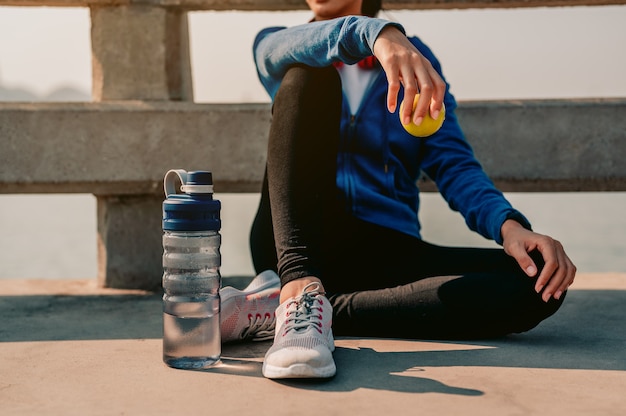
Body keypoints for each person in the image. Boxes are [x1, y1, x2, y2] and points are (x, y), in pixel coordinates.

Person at [238, 0, 576, 379]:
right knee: (309, 77)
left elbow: (452, 162)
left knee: (540, 279)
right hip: (295, 246)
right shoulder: (282, 43)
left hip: (383, 247)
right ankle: (298, 292)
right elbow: (271, 52)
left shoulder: (419, 62)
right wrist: (376, 35)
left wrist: (509, 226)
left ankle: (300, 312)